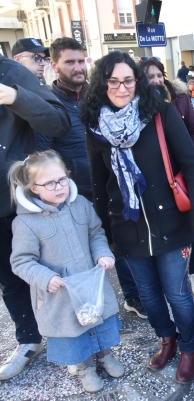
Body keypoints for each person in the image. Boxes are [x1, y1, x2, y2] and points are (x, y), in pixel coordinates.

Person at [81, 51, 194, 383]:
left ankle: (188, 347)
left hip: (171, 221)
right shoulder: (96, 124)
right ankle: (166, 339)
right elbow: (99, 181)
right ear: (102, 83)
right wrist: (105, 233)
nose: (122, 88)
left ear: (136, 82)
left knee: (177, 293)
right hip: (127, 225)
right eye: (114, 81)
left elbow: (190, 165)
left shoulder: (159, 112)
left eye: (128, 80)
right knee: (148, 296)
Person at [9, 150, 124, 393]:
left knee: (99, 321)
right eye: (49, 183)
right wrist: (44, 277)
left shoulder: (80, 204)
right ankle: (85, 367)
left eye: (62, 179)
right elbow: (21, 261)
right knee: (75, 332)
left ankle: (105, 355)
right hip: (60, 293)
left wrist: (102, 252)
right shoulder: (26, 223)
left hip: (90, 285)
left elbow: (95, 233)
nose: (59, 186)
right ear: (33, 188)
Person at [0, 52, 71, 381]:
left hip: (21, 204)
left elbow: (58, 121)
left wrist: (15, 97)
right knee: (8, 279)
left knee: (53, 273)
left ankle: (72, 341)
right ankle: (29, 340)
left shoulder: (13, 73)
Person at [139, 58, 194, 295]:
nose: (157, 80)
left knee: (189, 222)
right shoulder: (138, 105)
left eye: (159, 75)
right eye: (150, 76)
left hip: (181, 173)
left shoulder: (179, 99)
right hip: (156, 175)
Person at [36, 38, 93, 202]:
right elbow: (43, 158)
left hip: (110, 189)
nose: (78, 68)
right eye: (69, 62)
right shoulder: (48, 105)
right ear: (54, 66)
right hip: (75, 196)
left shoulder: (101, 98)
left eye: (81, 61)